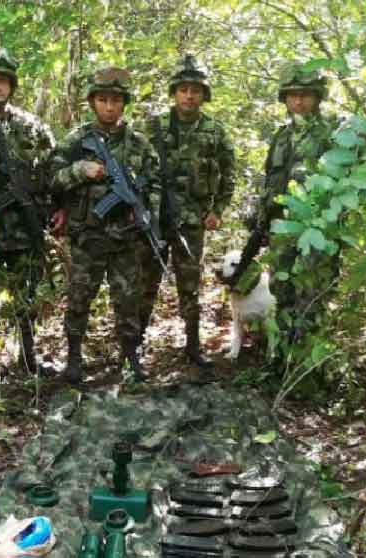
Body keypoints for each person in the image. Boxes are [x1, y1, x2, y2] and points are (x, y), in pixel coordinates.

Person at [49, 66, 162, 383]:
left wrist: (144, 212)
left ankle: (130, 359)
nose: (109, 107)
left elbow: (155, 185)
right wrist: (79, 170)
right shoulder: (75, 142)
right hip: (88, 237)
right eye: (103, 100)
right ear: (92, 102)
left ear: (124, 103)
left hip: (127, 239)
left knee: (128, 302)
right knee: (79, 299)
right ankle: (73, 358)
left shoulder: (139, 144)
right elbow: (50, 180)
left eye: (115, 100)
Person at [225, 62, 338, 360]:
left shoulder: (332, 134)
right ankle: (282, 358)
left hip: (315, 231)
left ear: (317, 97)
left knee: (312, 297)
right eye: (292, 95)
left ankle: (307, 365)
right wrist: (260, 220)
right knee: (281, 293)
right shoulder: (282, 136)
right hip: (280, 233)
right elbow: (271, 183)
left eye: (305, 94)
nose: (298, 101)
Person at [0, 47, 60, 376]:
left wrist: (59, 209)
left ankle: (29, 358)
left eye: (3, 80)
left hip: (24, 229)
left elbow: (54, 171)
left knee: (27, 299)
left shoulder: (32, 128)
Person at [140, 54, 236, 370]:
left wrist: (217, 211)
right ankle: (134, 348)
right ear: (174, 92)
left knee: (190, 287)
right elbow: (134, 169)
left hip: (192, 223)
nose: (189, 95)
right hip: (154, 220)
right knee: (145, 284)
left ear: (203, 94)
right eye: (183, 89)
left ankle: (193, 348)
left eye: (195, 90)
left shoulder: (215, 132)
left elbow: (228, 173)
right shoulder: (152, 127)